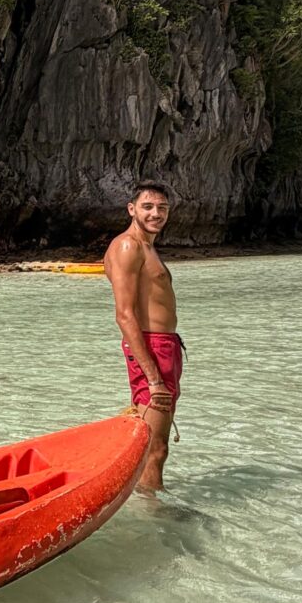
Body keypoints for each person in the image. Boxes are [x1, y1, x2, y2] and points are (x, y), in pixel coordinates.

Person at [103, 179, 183, 493]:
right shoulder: (128, 246)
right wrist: (153, 376)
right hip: (151, 347)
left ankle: (147, 498)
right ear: (131, 209)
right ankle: (154, 512)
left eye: (162, 208)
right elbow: (124, 314)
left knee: (153, 441)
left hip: (165, 347)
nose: (155, 213)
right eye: (147, 207)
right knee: (156, 448)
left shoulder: (147, 246)